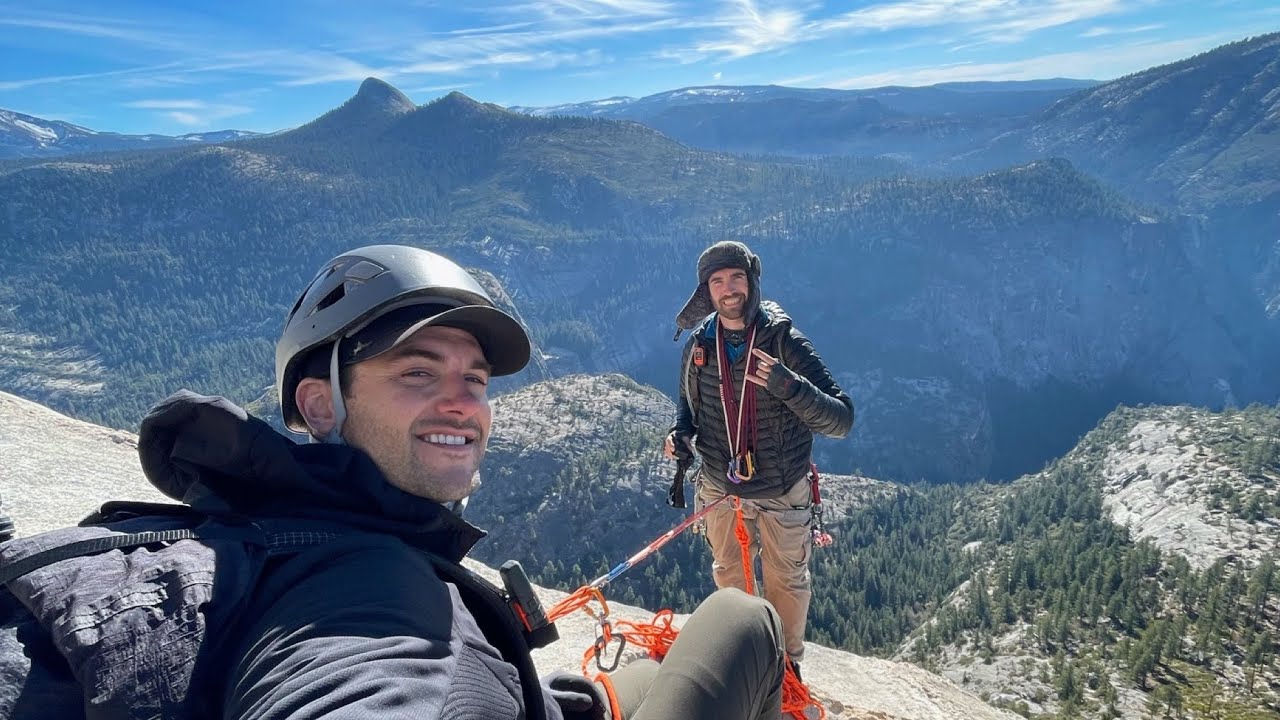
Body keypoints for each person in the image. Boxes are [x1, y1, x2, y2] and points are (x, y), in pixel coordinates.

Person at [0, 244, 786, 720]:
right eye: (417, 371)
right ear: (320, 404)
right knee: (744, 620)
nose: (462, 403)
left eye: (474, 379)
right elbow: (358, 677)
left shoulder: (250, 522)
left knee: (642, 677)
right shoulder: (377, 604)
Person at [666, 240, 854, 675]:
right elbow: (688, 408)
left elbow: (841, 419)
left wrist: (789, 387)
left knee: (785, 582)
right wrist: (679, 435)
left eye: (736, 278)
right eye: (718, 282)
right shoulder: (700, 343)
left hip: (780, 488)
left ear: (751, 283)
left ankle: (785, 668)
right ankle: (741, 653)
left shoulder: (783, 340)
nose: (729, 289)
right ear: (706, 292)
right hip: (719, 483)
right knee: (728, 571)